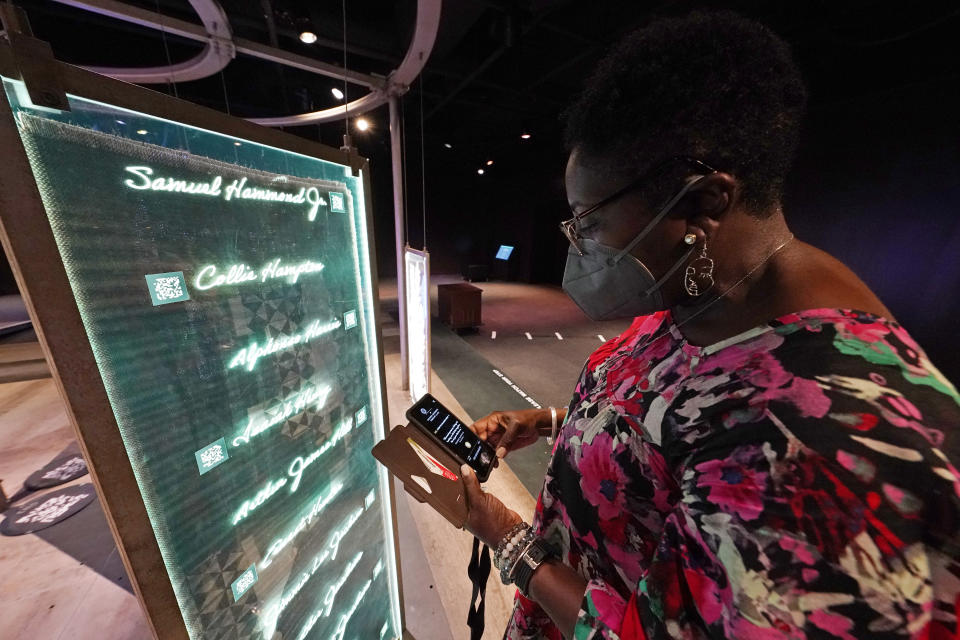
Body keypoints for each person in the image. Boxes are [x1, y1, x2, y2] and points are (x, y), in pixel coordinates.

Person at [454, 10, 960, 640]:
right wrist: (548, 423)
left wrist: (506, 539)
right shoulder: (702, 295)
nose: (576, 245)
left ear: (704, 202)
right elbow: (668, 419)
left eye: (588, 222)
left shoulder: (820, 435)